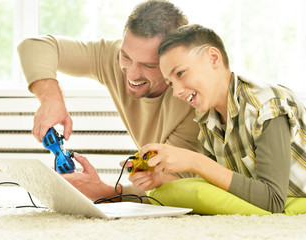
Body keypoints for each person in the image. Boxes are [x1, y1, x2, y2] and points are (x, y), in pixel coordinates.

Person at [17, 0, 200, 202]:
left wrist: (103, 192)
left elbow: (176, 188)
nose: (131, 74)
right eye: (126, 56)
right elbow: (34, 46)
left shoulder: (193, 101)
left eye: (149, 65)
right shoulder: (111, 57)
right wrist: (51, 99)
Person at [135, 23, 306, 213]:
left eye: (180, 73)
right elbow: (224, 189)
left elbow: (273, 201)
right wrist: (163, 179)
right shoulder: (208, 121)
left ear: (213, 58)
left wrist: (195, 161)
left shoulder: (266, 104)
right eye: (170, 83)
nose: (176, 91)